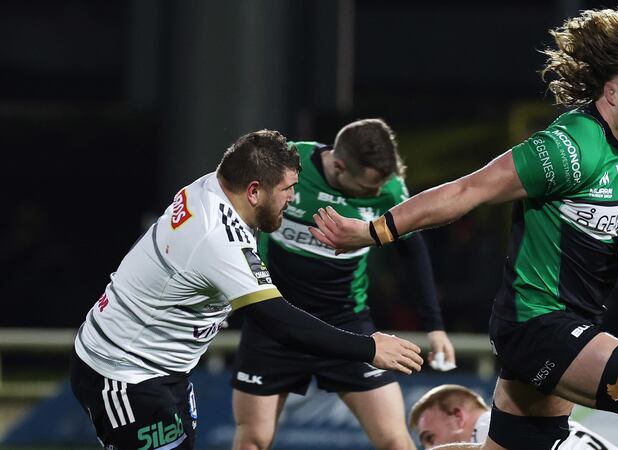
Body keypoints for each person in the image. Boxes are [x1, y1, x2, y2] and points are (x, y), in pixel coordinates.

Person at [309, 8, 618, 450]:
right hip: (539, 325)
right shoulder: (567, 148)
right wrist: (372, 232)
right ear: (610, 93)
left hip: (567, 323)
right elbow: (466, 191)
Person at [69, 130, 423, 450]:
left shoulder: (217, 187)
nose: (293, 197)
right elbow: (279, 320)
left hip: (164, 370)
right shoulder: (216, 238)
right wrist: (369, 347)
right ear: (254, 191)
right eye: (287, 189)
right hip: (123, 370)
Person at [230, 119, 455, 450]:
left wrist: (435, 326)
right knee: (252, 441)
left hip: (346, 323)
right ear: (338, 165)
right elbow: (234, 217)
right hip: (275, 322)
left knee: (395, 441)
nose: (378, 195)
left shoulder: (390, 188)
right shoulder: (287, 165)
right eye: (367, 189)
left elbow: (413, 249)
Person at [409, 384, 618, 450]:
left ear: (457, 417)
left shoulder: (494, 428)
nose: (430, 448)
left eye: (430, 438)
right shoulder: (512, 421)